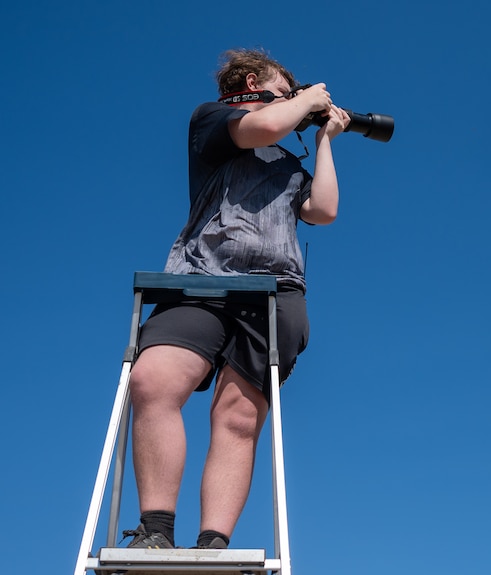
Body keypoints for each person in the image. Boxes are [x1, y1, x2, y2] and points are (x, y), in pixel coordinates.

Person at [122, 48, 350, 549]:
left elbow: (324, 209)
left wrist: (326, 139)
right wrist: (309, 96)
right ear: (251, 83)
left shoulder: (288, 163)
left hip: (274, 291)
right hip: (200, 281)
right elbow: (263, 127)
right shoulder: (213, 121)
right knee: (152, 379)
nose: (296, 103)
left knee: (238, 416)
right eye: (285, 93)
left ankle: (213, 544)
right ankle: (155, 531)